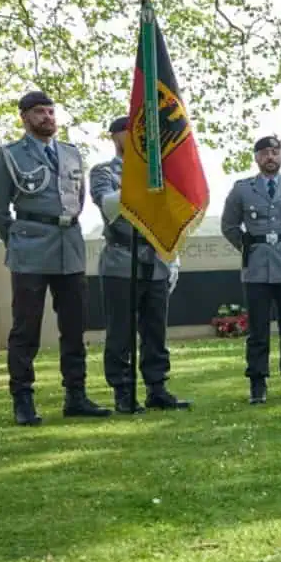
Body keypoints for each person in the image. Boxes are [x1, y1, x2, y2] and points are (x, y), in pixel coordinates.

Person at [0, 90, 107, 425]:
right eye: (39, 112)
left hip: (70, 248)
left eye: (50, 112)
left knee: (74, 325)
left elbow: (76, 200)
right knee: (26, 329)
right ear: (24, 117)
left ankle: (76, 396)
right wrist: (19, 238)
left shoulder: (70, 154)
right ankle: (23, 400)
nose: (47, 118)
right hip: (30, 251)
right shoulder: (9, 156)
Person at [90, 116, 189, 413]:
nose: (132, 137)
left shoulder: (159, 172)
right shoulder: (103, 172)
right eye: (126, 132)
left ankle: (157, 387)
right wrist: (141, 181)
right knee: (120, 331)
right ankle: (123, 391)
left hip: (156, 259)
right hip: (122, 260)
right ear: (114, 137)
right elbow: (107, 204)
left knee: (155, 331)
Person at [220, 135, 281, 404]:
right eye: (264, 153)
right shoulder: (242, 189)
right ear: (256, 158)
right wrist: (249, 247)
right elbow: (229, 225)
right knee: (258, 329)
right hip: (257, 267)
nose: (270, 157)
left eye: (275, 152)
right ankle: (257, 383)